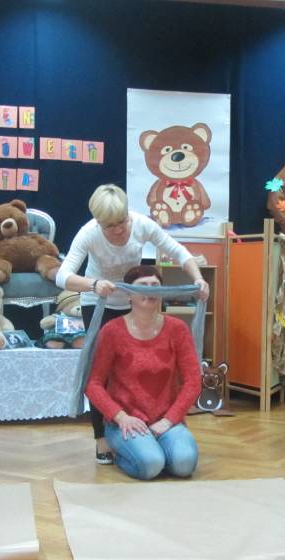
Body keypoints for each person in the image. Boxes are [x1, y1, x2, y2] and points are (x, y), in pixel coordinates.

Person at [55, 184, 209, 465]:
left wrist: (198, 278)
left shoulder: (141, 224)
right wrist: (94, 284)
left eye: (121, 222)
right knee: (99, 372)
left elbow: (178, 252)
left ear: (128, 214)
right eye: (109, 226)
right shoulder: (89, 233)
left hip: (133, 299)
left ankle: (147, 426)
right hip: (98, 302)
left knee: (132, 368)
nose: (118, 230)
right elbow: (62, 276)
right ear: (98, 222)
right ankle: (102, 437)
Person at [84, 266, 201, 480]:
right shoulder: (111, 331)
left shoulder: (178, 329)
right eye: (143, 286)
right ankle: (125, 451)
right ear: (129, 294)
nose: (150, 290)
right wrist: (121, 417)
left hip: (167, 422)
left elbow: (193, 382)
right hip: (125, 422)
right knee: (151, 465)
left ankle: (154, 448)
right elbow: (93, 384)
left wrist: (169, 420)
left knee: (185, 465)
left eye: (155, 286)